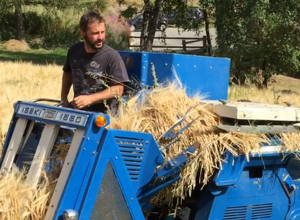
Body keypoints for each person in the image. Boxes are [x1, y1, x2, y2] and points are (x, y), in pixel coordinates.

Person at [61, 11, 129, 114]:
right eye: (95, 33)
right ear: (83, 33)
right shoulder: (74, 50)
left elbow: (118, 89)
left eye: (102, 32)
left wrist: (91, 99)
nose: (100, 37)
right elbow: (68, 73)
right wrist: (64, 98)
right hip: (79, 111)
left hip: (104, 115)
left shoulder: (112, 56)